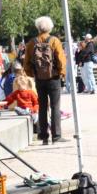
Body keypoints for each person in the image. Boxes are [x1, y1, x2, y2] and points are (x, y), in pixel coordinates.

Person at [24, 15, 68, 145]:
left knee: (42, 107)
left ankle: (43, 136)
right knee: (55, 106)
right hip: (53, 78)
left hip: (39, 78)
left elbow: (26, 62)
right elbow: (61, 59)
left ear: (38, 27)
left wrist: (33, 74)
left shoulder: (32, 43)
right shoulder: (54, 41)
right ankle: (56, 136)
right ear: (50, 27)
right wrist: (62, 73)